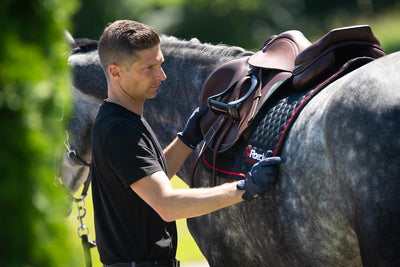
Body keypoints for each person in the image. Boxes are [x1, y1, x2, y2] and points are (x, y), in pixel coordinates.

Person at [91, 19, 282, 267]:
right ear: (115, 72)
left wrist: (187, 138)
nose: (161, 75)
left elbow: (151, 178)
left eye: (160, 64)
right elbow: (167, 205)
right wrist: (244, 188)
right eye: (148, 68)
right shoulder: (119, 130)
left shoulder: (122, 120)